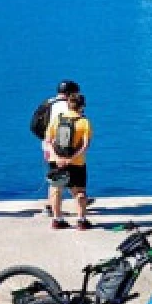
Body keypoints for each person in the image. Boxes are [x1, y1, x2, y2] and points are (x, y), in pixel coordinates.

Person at [45, 93, 93, 230]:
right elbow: (85, 146)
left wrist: (57, 157)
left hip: (56, 160)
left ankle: (57, 219)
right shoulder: (84, 122)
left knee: (56, 189)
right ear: (82, 106)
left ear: (68, 105)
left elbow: (48, 141)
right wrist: (70, 159)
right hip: (76, 163)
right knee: (80, 191)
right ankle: (81, 220)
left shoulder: (57, 119)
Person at [34, 80, 79, 216]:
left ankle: (55, 204)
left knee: (56, 175)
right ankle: (54, 206)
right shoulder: (67, 106)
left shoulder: (47, 103)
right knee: (65, 176)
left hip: (47, 145)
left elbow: (34, 125)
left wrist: (45, 140)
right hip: (62, 147)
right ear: (70, 93)